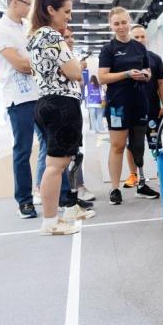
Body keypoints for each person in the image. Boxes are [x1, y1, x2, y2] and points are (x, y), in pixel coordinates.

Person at [26, 0, 92, 235]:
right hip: (61, 103)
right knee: (55, 166)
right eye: (66, 12)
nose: (70, 17)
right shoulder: (51, 36)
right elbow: (74, 73)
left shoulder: (35, 36)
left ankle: (53, 218)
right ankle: (50, 221)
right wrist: (84, 64)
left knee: (56, 165)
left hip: (46, 102)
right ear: (50, 10)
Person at [98, 7, 161, 205]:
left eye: (124, 22)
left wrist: (145, 75)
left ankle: (141, 183)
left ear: (129, 21)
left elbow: (149, 72)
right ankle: (115, 188)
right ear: (111, 25)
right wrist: (126, 74)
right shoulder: (108, 49)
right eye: (116, 23)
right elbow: (102, 77)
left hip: (139, 102)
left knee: (138, 145)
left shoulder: (139, 48)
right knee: (117, 146)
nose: (121, 27)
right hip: (118, 104)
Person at [0, 0, 41, 219]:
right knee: (22, 151)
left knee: (53, 146)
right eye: (27, 3)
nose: (30, 8)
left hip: (40, 96)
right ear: (14, 2)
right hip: (18, 100)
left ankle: (61, 196)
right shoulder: (0, 30)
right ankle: (25, 201)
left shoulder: (26, 28)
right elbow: (20, 64)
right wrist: (46, 66)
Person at [126, 25, 163, 186]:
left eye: (142, 36)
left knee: (155, 142)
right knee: (133, 145)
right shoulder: (125, 59)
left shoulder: (155, 59)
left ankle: (161, 172)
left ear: (147, 38)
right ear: (131, 39)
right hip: (132, 110)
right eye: (136, 37)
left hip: (152, 109)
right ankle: (133, 175)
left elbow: (161, 84)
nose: (140, 40)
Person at [61, 27, 96, 202]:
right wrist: (77, 69)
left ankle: (77, 187)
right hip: (57, 108)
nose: (71, 40)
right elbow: (74, 76)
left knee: (75, 150)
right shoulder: (55, 56)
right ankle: (66, 190)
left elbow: (81, 81)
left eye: (71, 36)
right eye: (66, 37)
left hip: (74, 106)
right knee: (59, 154)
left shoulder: (72, 58)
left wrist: (78, 69)